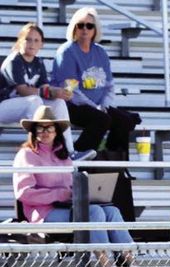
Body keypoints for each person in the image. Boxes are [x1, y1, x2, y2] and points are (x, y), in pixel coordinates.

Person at [12, 106, 133, 267]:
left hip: (69, 207)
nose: (45, 131)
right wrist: (60, 194)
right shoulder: (26, 154)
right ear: (33, 131)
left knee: (112, 211)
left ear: (56, 131)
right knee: (95, 212)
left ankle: (132, 266)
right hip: (42, 213)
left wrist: (83, 193)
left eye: (50, 127)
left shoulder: (63, 155)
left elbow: (70, 187)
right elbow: (24, 193)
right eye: (40, 127)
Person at [51, 7, 140, 156]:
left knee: (125, 120)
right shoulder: (67, 52)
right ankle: (76, 156)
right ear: (74, 28)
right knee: (101, 119)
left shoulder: (101, 52)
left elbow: (109, 85)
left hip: (98, 107)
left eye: (89, 25)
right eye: (81, 25)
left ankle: (114, 160)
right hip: (71, 105)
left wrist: (104, 106)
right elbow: (71, 90)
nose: (85, 29)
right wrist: (96, 108)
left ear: (95, 29)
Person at [1, 23, 82, 156]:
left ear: (41, 44)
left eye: (36, 40)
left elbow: (45, 88)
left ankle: (68, 151)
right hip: (3, 106)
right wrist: (50, 92)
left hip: (23, 106)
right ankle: (39, 149)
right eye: (28, 39)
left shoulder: (38, 62)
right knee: (35, 101)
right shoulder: (14, 60)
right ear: (20, 41)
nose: (32, 43)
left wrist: (60, 92)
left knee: (58, 103)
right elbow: (23, 90)